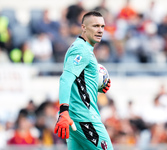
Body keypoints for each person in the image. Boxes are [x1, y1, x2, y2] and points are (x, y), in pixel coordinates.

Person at [54, 11, 113, 150]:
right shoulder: (82, 50)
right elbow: (65, 79)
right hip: (85, 118)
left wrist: (97, 85)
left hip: (76, 119)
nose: (100, 30)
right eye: (95, 26)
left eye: (102, 26)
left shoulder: (81, 47)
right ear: (84, 27)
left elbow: (79, 82)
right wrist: (63, 111)